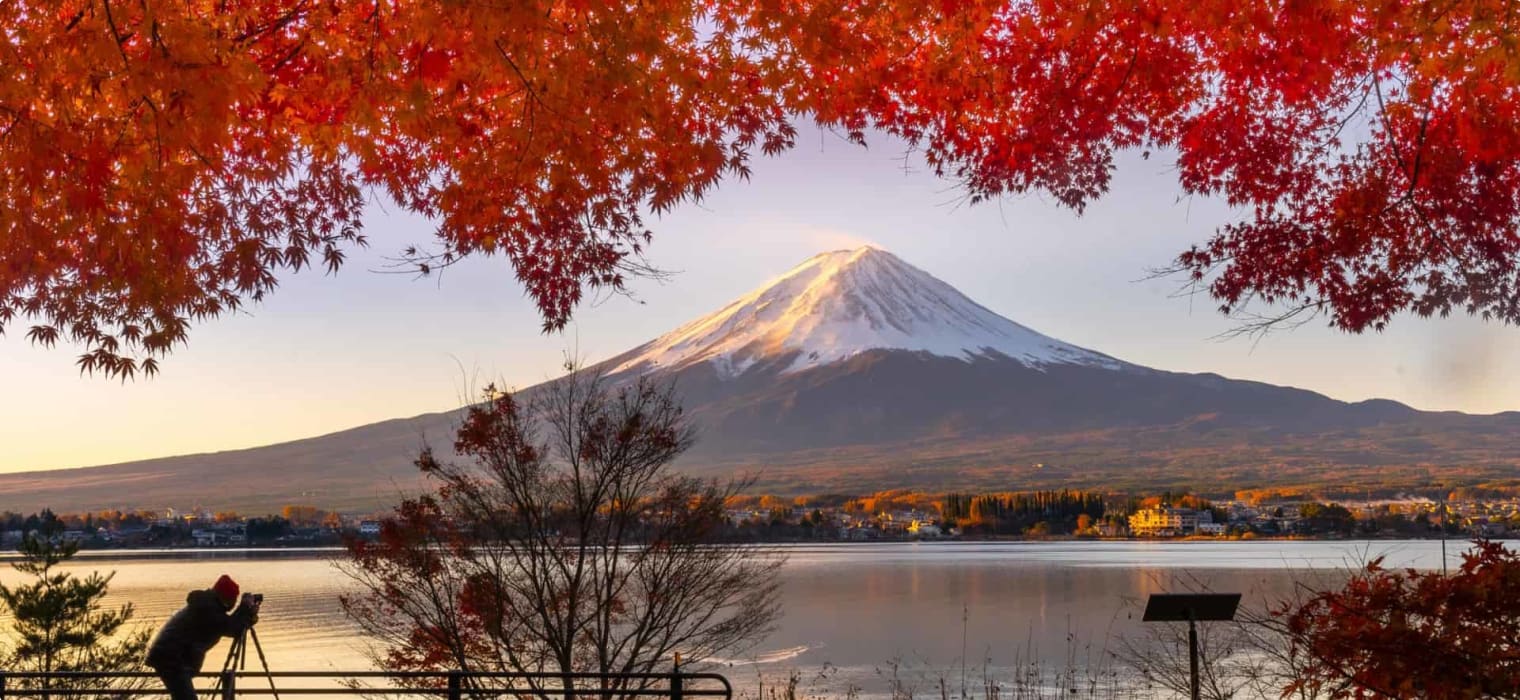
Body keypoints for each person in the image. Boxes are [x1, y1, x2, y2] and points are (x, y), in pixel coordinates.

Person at [145, 574, 260, 700]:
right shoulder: (207, 609)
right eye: (233, 599)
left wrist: (248, 614)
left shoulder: (206, 604)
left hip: (172, 658)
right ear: (225, 597)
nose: (234, 602)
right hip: (171, 659)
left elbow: (230, 625)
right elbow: (231, 627)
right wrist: (244, 608)